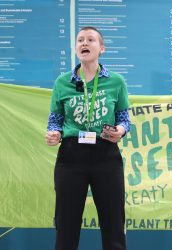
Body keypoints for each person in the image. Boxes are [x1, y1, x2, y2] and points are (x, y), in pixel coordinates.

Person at [46, 26, 130, 250]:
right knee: (66, 224)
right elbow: (55, 120)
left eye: (90, 40)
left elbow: (124, 119)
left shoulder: (116, 81)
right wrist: (54, 133)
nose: (84, 43)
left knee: (113, 223)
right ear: (75, 48)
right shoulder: (62, 82)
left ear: (101, 48)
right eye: (80, 40)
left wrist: (120, 131)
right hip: (71, 157)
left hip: (106, 155)